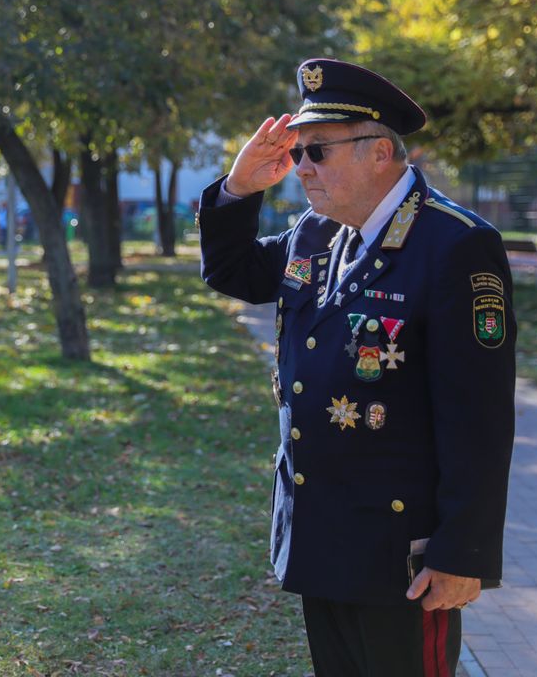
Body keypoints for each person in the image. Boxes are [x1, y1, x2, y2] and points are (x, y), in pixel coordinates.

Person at [199, 59, 516, 676]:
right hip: (321, 534)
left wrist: (462, 552)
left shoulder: (455, 246)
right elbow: (231, 269)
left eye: (315, 151)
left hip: (402, 555)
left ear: (378, 152)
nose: (301, 168)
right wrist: (239, 187)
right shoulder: (317, 235)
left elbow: (478, 419)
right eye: (297, 151)